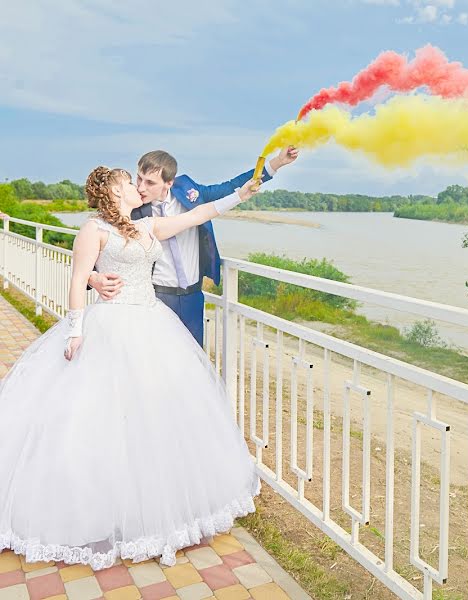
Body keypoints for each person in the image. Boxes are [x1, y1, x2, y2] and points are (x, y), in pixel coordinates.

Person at [0, 166, 263, 570]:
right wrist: (75, 328)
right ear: (113, 191)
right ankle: (98, 507)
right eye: (130, 183)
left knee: (156, 413)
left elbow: (198, 215)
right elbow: (76, 280)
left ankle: (162, 504)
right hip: (110, 325)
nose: (138, 187)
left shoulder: (148, 226)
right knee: (99, 418)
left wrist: (241, 194)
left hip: (152, 322)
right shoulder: (93, 229)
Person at [88, 146, 299, 345]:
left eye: (150, 182)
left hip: (193, 297)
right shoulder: (133, 210)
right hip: (155, 297)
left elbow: (230, 187)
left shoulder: (189, 191)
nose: (141, 188)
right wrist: (92, 277)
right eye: (139, 179)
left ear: (168, 183)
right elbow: (99, 242)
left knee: (193, 359)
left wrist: (277, 163)